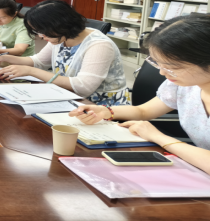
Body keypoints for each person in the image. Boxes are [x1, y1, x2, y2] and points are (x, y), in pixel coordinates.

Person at [70, 16, 210, 173]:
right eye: (158, 63)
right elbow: (144, 111)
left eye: (173, 67)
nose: (162, 73)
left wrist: (158, 137)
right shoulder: (184, 86)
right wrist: (106, 111)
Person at [0, 0, 128, 105]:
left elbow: (83, 87)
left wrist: (31, 71)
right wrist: (3, 57)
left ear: (61, 25)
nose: (41, 36)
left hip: (99, 107)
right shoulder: (61, 36)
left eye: (43, 31)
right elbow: (39, 61)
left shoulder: (99, 45)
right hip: (66, 96)